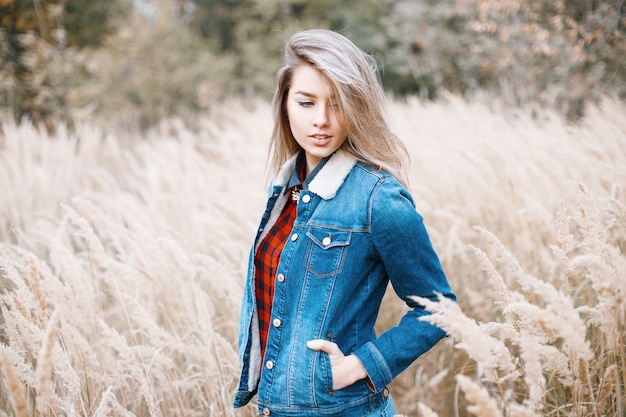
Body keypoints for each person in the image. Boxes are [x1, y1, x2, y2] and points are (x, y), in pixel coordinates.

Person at [233, 28, 456, 417]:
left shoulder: (378, 199)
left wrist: (357, 366)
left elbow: (439, 309)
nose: (321, 121)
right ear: (285, 104)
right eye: (306, 102)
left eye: (336, 104)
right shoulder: (286, 189)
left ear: (356, 106)